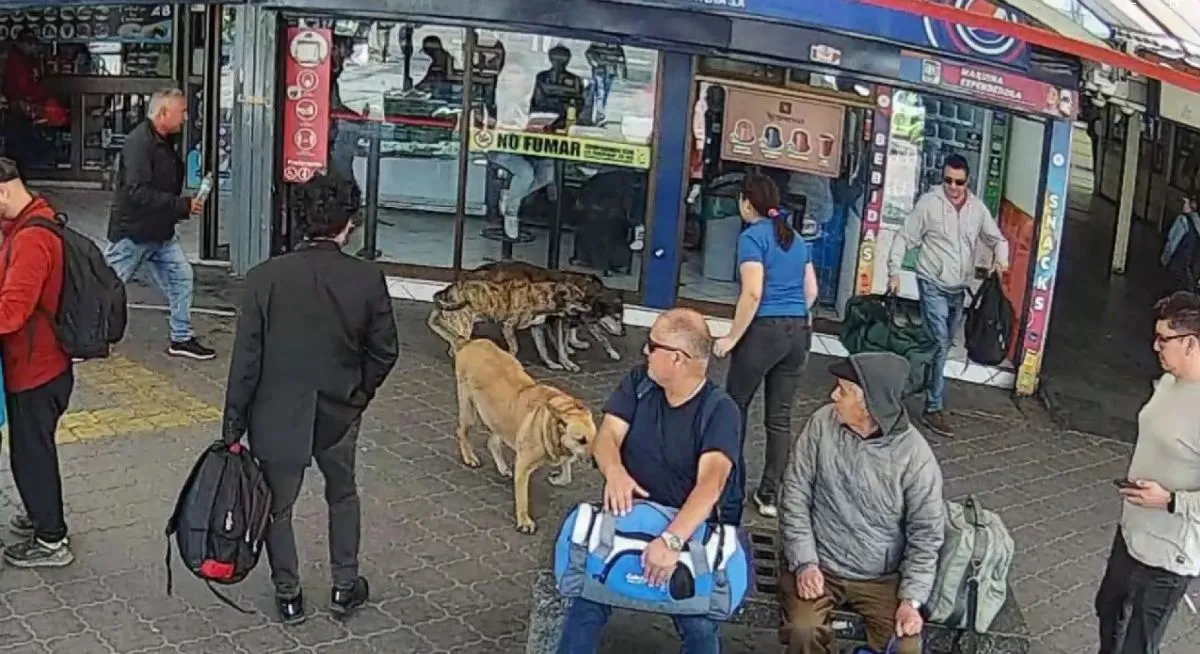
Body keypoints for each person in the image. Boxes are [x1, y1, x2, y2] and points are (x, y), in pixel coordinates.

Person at [222, 171, 399, 624]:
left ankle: (288, 594)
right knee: (342, 494)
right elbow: (385, 352)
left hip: (275, 415)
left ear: (300, 222)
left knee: (277, 507)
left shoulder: (264, 279)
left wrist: (233, 428)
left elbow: (245, 362)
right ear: (349, 224)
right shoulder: (367, 278)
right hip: (341, 411)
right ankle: (345, 585)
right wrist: (359, 393)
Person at [557, 308, 743, 654]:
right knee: (585, 605)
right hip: (629, 516)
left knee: (700, 625)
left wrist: (671, 541)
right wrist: (615, 473)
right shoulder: (639, 381)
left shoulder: (720, 411)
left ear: (676, 358)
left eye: (652, 345)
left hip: (685, 529)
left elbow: (711, 485)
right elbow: (608, 436)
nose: (644, 350)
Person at [778, 352, 945, 654]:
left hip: (881, 578)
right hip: (821, 562)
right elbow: (794, 493)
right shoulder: (821, 423)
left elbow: (926, 536)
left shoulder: (916, 458)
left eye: (842, 390)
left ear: (868, 404)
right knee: (804, 630)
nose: (832, 396)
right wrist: (804, 562)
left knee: (906, 647)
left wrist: (911, 600)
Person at [1095, 291, 1200, 654]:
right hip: (1133, 531)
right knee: (1107, 609)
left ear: (1191, 343)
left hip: (1171, 555)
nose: (1156, 347)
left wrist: (1170, 500)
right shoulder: (1169, 381)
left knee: (1138, 645)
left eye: (1164, 339)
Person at [714, 173, 818, 518]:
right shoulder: (797, 239)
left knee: (735, 408)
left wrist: (732, 337)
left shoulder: (752, 238)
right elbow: (811, 292)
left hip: (763, 332)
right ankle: (770, 495)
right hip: (798, 333)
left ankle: (730, 488)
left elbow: (753, 292)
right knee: (780, 418)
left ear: (747, 202)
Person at [886, 153, 1008, 437]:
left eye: (959, 182)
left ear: (968, 181)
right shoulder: (929, 204)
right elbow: (905, 236)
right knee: (940, 342)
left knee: (939, 344)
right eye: (948, 180)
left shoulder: (977, 209)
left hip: (958, 289)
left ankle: (909, 385)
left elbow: (997, 238)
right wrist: (893, 271)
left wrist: (1002, 260)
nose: (953, 186)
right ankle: (933, 405)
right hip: (931, 281)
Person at [0, 158, 75, 568]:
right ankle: (39, 515)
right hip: (40, 363)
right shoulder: (33, 222)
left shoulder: (32, 239)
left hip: (36, 368)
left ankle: (51, 540)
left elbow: (12, 312)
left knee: (32, 454)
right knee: (30, 451)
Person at [106, 88, 215, 361]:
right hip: (133, 232)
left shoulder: (164, 140)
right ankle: (81, 337)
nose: (187, 118)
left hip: (161, 232)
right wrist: (181, 205)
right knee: (107, 286)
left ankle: (181, 337)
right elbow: (136, 191)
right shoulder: (139, 143)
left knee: (182, 278)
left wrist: (180, 208)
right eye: (182, 111)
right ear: (163, 113)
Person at [1160, 195, 1200, 293]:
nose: (1183, 205)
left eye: (1185, 203)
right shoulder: (1198, 221)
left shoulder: (1182, 220)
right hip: (1192, 270)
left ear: (1192, 205)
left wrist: (1164, 260)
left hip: (1178, 264)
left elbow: (1172, 242)